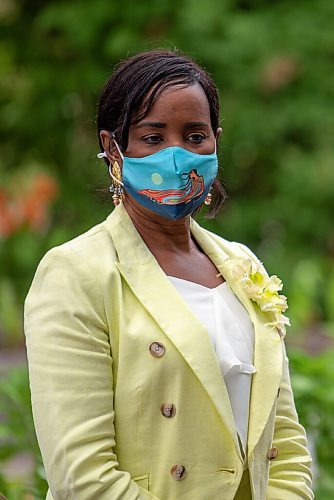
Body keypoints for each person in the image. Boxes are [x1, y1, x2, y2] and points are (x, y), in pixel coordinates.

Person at [24, 49, 313, 500]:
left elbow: (286, 446)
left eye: (194, 136)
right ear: (113, 148)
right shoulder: (76, 273)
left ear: (216, 141)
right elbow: (83, 476)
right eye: (153, 139)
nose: (177, 156)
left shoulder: (243, 267)